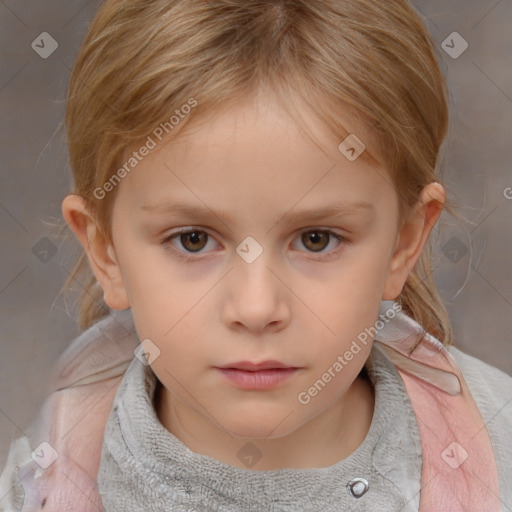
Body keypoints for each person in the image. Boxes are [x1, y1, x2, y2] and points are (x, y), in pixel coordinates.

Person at [1, 0, 511, 510]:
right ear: (105, 251)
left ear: (403, 243)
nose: (256, 308)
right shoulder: (39, 485)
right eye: (193, 240)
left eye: (316, 239)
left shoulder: (499, 450)